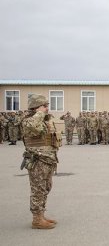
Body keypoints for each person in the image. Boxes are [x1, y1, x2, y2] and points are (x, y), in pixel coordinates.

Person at [21, 94, 62, 229]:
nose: (46, 108)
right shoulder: (28, 120)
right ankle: (37, 219)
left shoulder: (45, 120)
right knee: (38, 189)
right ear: (36, 108)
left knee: (46, 188)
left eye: (46, 106)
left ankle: (41, 214)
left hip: (48, 159)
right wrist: (39, 114)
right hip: (37, 159)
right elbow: (33, 127)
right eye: (44, 106)